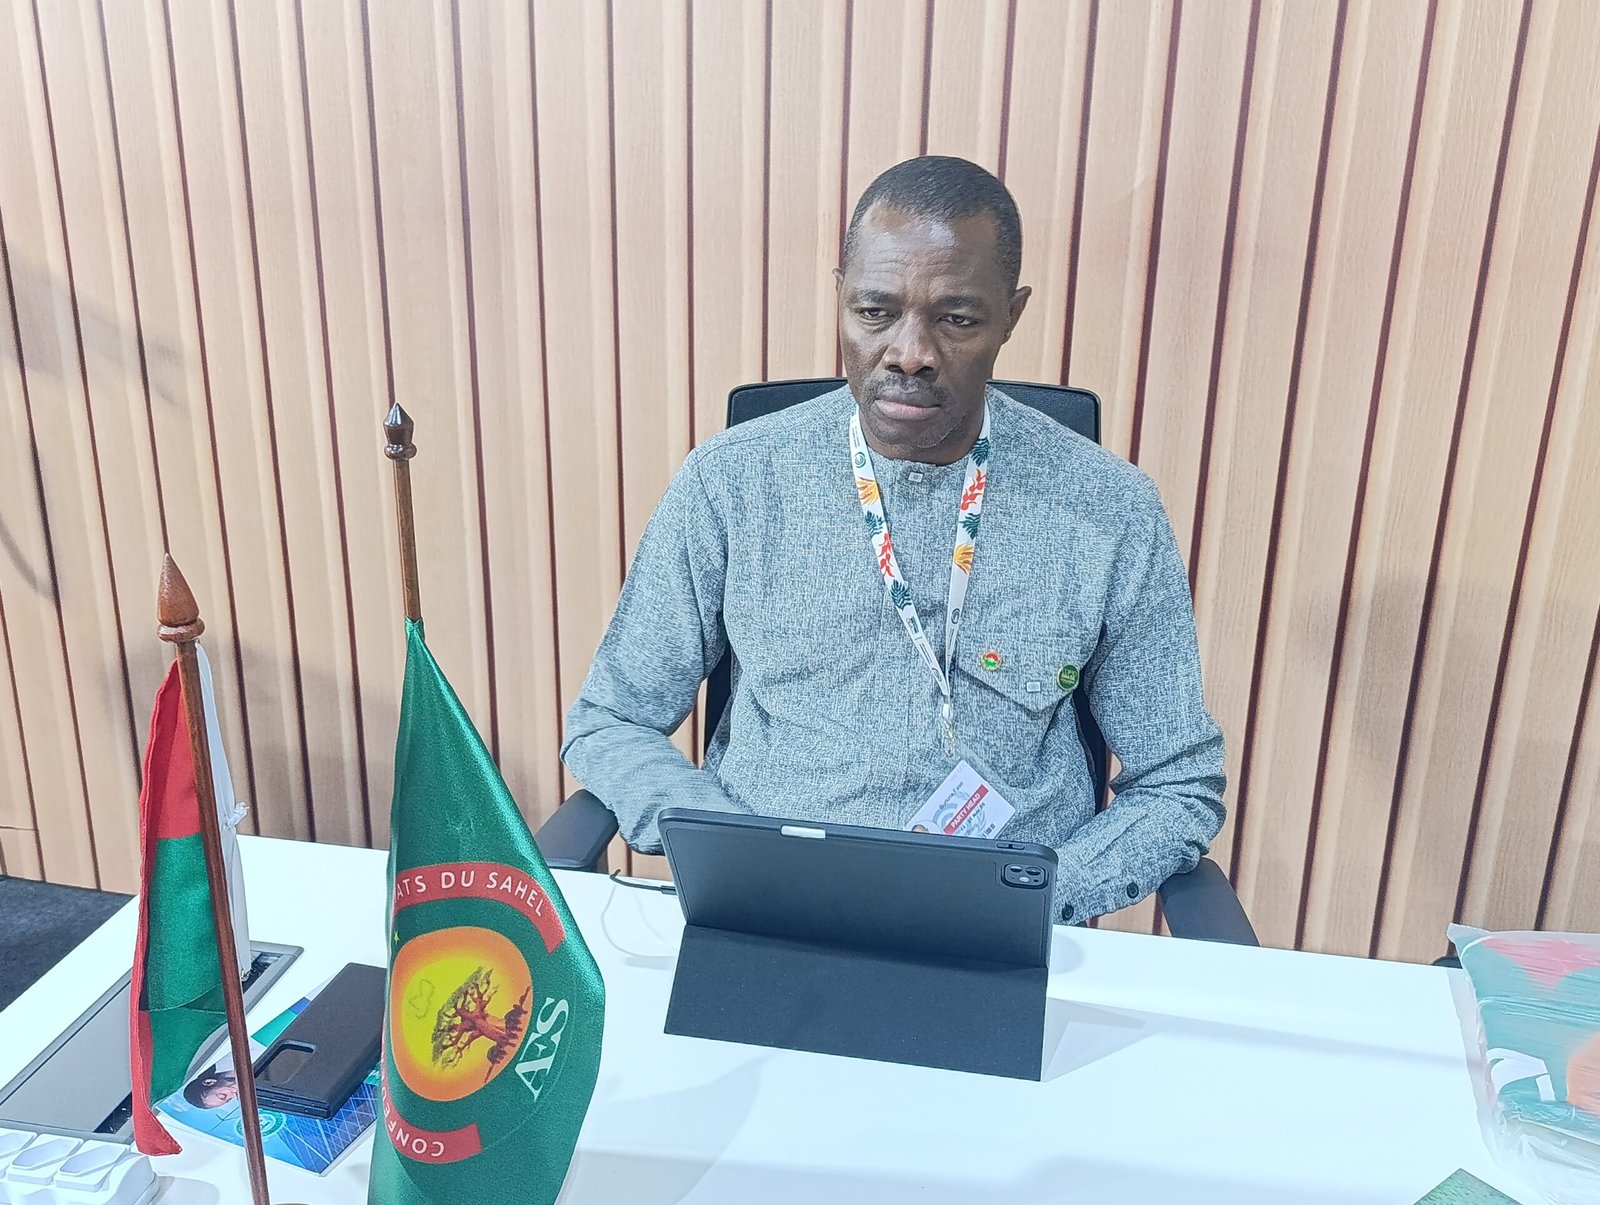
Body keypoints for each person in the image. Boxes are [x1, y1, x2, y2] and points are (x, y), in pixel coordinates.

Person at [561, 155, 1225, 924]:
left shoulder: (1110, 510)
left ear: (1011, 316)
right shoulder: (733, 482)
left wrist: (1042, 895)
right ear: (841, 297)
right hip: (769, 909)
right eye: (876, 311)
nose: (911, 352)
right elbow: (611, 720)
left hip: (994, 928)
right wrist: (729, 852)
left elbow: (1177, 781)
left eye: (957, 319)